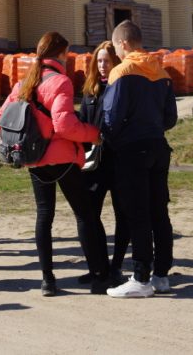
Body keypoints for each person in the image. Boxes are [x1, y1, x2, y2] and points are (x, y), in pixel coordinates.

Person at [0, 31, 110, 297]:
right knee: (84, 214)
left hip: (34, 159)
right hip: (62, 158)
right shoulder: (61, 82)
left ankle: (47, 279)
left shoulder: (24, 83)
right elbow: (65, 125)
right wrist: (93, 134)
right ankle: (99, 275)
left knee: (44, 215)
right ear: (60, 53)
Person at [102, 20, 178, 298]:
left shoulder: (122, 71)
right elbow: (171, 117)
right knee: (159, 212)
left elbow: (111, 117)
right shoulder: (161, 71)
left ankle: (140, 277)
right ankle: (161, 275)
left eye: (115, 47)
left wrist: (113, 139)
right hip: (158, 146)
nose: (116, 53)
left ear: (123, 43)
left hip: (132, 150)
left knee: (138, 214)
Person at [78, 40, 128, 287]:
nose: (102, 65)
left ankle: (117, 266)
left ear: (116, 62)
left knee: (123, 215)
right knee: (89, 215)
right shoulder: (90, 91)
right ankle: (98, 267)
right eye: (98, 61)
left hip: (119, 162)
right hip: (94, 165)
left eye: (106, 61)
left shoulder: (122, 88)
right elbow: (82, 124)